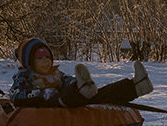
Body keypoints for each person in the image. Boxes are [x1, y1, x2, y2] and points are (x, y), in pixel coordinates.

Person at [8, 37, 154, 108]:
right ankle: (81, 91)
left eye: (48, 57)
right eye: (40, 59)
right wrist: (39, 93)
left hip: (69, 99)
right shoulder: (25, 76)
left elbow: (67, 80)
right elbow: (16, 95)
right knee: (65, 96)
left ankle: (136, 86)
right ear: (30, 62)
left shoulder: (56, 74)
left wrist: (77, 83)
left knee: (99, 95)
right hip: (52, 104)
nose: (46, 61)